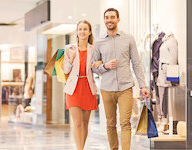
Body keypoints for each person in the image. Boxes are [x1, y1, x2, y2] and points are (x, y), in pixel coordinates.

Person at [92, 8, 150, 150]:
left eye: (112, 17)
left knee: (125, 123)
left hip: (125, 88)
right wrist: (105, 66)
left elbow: (136, 63)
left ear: (118, 19)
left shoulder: (128, 38)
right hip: (106, 88)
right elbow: (93, 67)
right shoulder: (98, 42)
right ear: (104, 20)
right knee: (111, 124)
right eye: (106, 17)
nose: (109, 20)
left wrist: (143, 86)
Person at [63, 20, 102, 150]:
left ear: (89, 32)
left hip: (88, 87)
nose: (82, 31)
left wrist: (99, 64)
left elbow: (97, 70)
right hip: (73, 88)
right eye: (80, 29)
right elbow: (65, 70)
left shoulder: (94, 49)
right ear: (77, 31)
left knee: (85, 124)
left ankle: (82, 147)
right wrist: (71, 58)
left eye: (85, 29)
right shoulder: (69, 48)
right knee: (78, 123)